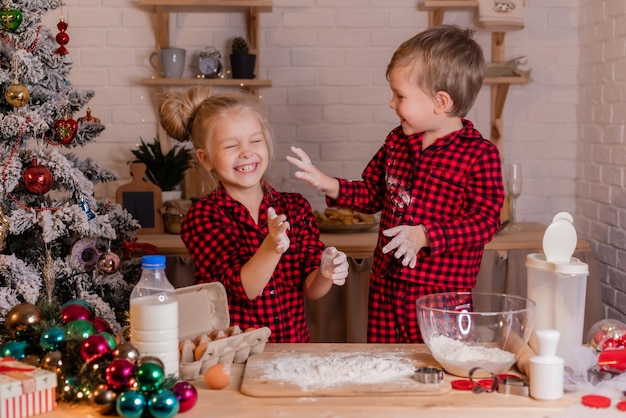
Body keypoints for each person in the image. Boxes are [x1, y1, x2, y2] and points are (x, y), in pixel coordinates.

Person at [287, 25, 505, 343]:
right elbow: (372, 193)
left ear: (440, 102)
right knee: (386, 368)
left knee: (438, 370)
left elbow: (485, 223)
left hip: (441, 298)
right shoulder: (395, 142)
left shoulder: (479, 155)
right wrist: (329, 184)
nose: (392, 103)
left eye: (400, 96)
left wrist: (425, 235)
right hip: (387, 288)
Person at [159, 87, 350, 343]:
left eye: (255, 141)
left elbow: (311, 289)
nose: (246, 152)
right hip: (234, 357)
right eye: (230, 145)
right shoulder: (203, 217)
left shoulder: (296, 208)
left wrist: (326, 272)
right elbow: (244, 288)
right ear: (206, 159)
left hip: (291, 353)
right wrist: (272, 246)